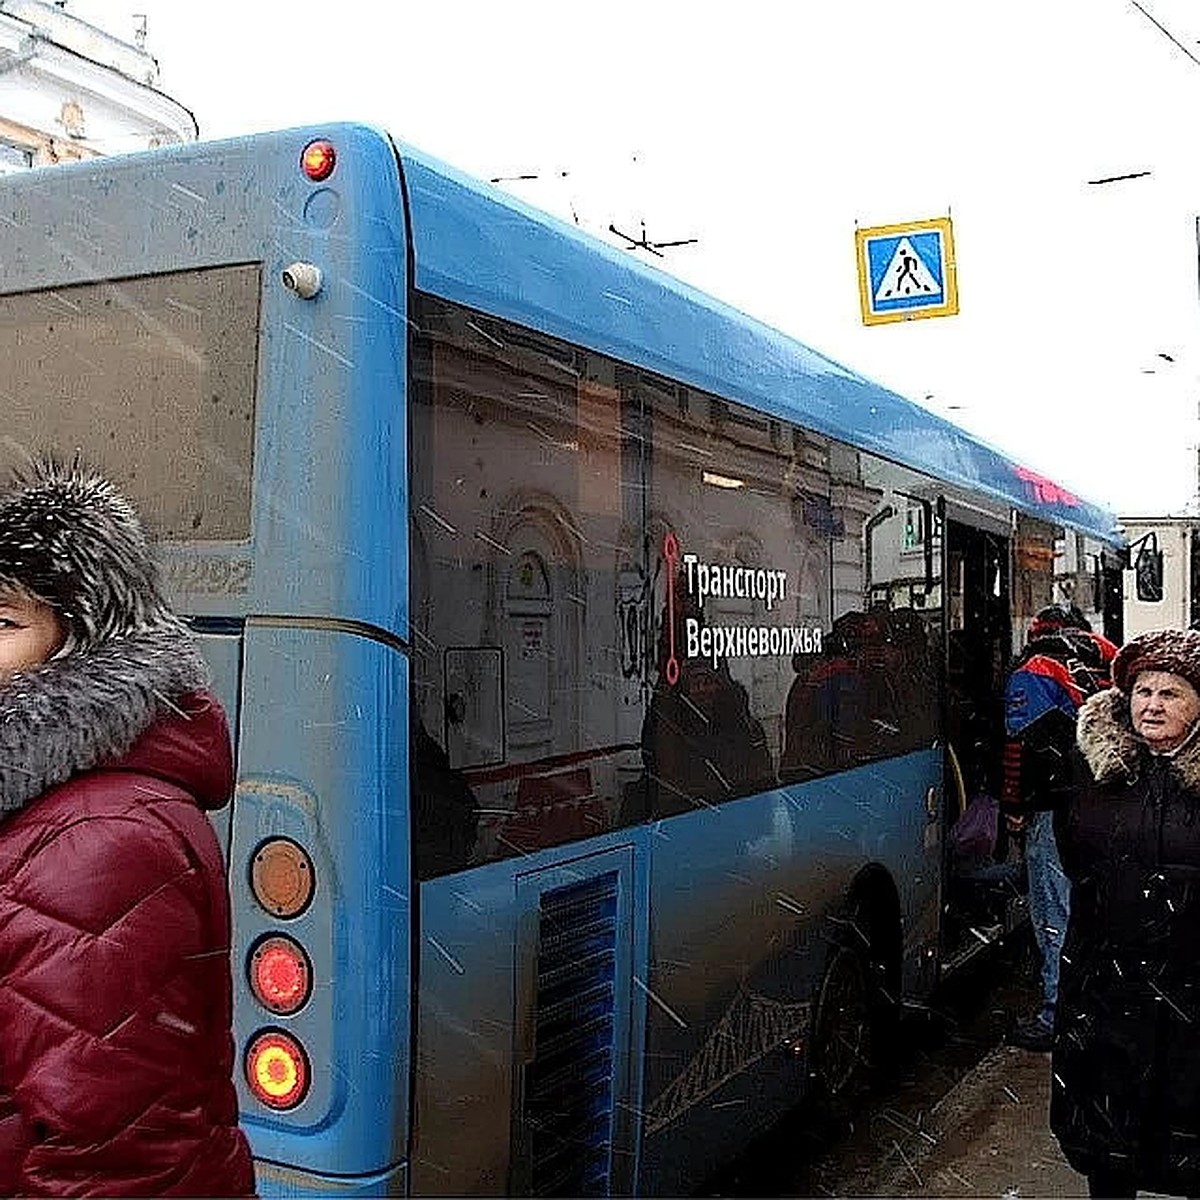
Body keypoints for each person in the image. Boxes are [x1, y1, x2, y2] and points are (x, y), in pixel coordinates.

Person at [0, 459, 255, 1196]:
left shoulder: (101, 843)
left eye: (4, 621)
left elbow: (120, 1165)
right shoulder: (41, 810)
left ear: (78, 642)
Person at [1051, 628, 1200, 1199]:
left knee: (1188, 1135)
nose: (1153, 705)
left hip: (1190, 996)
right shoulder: (1095, 769)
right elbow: (1074, 856)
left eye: (1171, 693)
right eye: (1143, 691)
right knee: (1107, 1145)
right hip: (1106, 990)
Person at [1002, 604, 1116, 1052]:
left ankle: (1057, 1013)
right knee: (1095, 906)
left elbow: (1021, 744)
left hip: (1053, 806)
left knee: (1053, 910)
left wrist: (1015, 805)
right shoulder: (1107, 655)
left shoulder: (1035, 667)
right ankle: (1095, 1003)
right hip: (1104, 801)